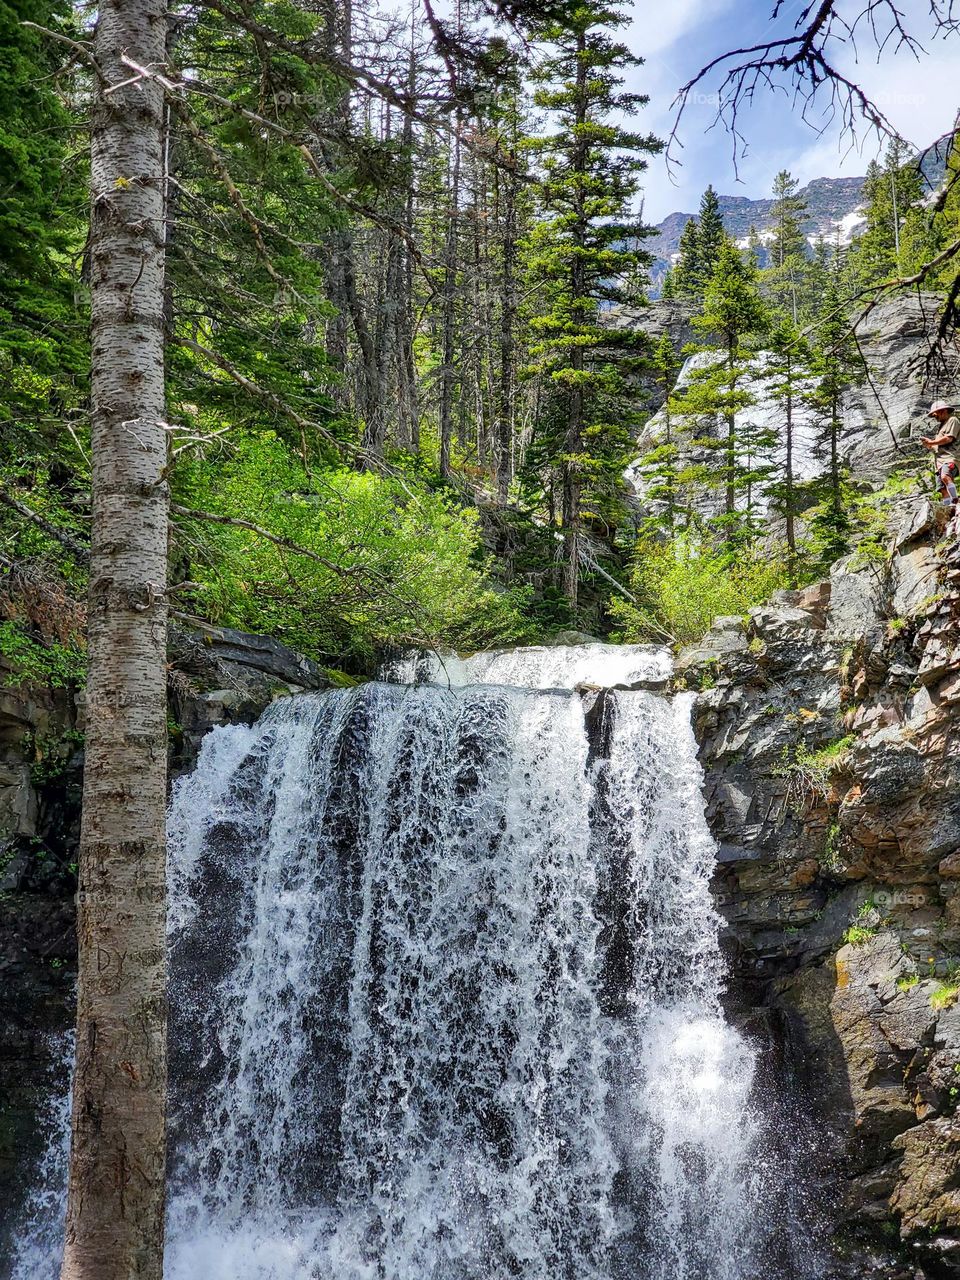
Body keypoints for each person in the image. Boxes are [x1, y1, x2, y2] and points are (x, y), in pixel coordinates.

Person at [921, 400, 960, 507]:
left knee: (945, 476)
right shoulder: (941, 427)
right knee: (942, 489)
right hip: (938, 463)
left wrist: (932, 442)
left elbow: (948, 438)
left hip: (950, 458)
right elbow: (937, 446)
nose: (934, 415)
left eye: (935, 413)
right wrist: (929, 445)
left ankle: (956, 500)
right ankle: (948, 508)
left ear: (943, 411)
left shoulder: (953, 420)